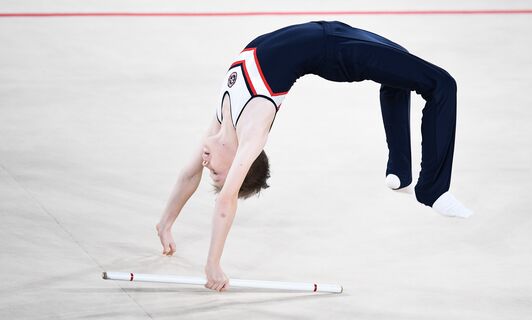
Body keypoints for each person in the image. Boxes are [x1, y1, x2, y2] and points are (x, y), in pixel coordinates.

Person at [156, 21, 473, 292]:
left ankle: (400, 173)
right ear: (242, 160)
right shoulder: (253, 132)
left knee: (400, 64)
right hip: (338, 55)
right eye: (216, 173)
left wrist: (166, 223)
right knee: (442, 83)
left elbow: (188, 174)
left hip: (330, 30)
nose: (207, 164)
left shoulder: (221, 121)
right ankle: (434, 190)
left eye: (212, 173)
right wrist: (214, 264)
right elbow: (226, 202)